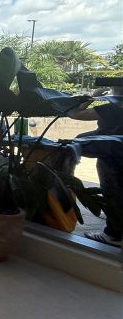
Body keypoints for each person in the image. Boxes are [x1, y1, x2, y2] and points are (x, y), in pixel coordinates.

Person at [70, 78, 123, 247]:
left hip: (110, 154)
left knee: (112, 192)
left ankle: (112, 234)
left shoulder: (111, 107)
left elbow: (75, 114)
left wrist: (91, 97)